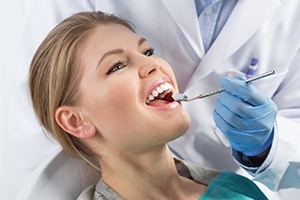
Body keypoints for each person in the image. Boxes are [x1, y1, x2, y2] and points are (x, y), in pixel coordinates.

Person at [5, 0, 300, 199]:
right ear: (75, 120)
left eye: (147, 52)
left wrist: (266, 148)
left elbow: (294, 176)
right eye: (117, 66)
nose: (154, 64)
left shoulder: (235, 189)